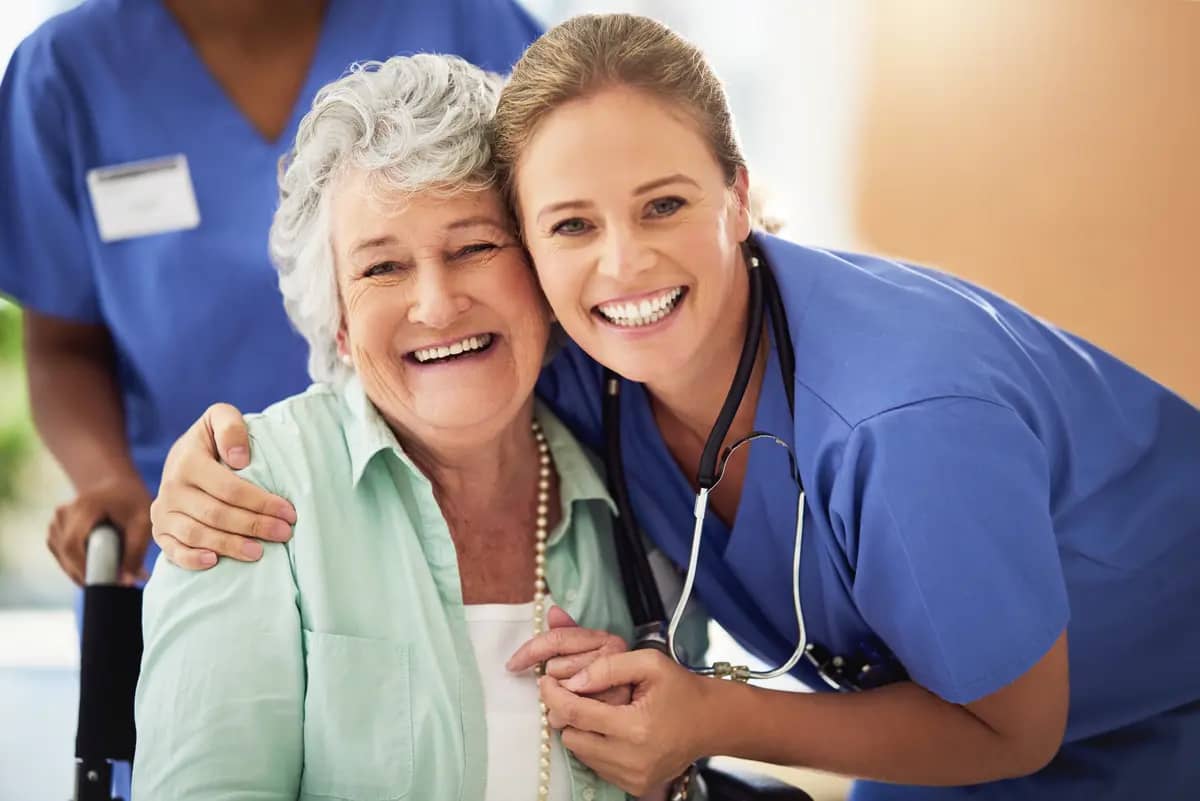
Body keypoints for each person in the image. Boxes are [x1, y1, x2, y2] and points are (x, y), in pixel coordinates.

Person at [150, 12, 1200, 801]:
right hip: (934, 743)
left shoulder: (903, 417)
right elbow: (418, 343)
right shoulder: (576, 363)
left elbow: (1013, 729)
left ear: (738, 195)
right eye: (569, 225)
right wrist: (217, 462)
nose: (621, 263)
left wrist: (711, 717)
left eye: (664, 204)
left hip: (1146, 723)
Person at [132, 53, 701, 801]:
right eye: (380, 269)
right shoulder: (246, 497)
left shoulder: (643, 489)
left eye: (473, 248)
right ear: (337, 321)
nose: (435, 304)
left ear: (541, 272)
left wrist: (654, 775)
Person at [0, 0, 539, 588]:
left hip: (463, 525)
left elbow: (568, 241)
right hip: (200, 534)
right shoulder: (66, 72)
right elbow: (62, 344)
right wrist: (107, 481)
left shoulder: (463, 20)